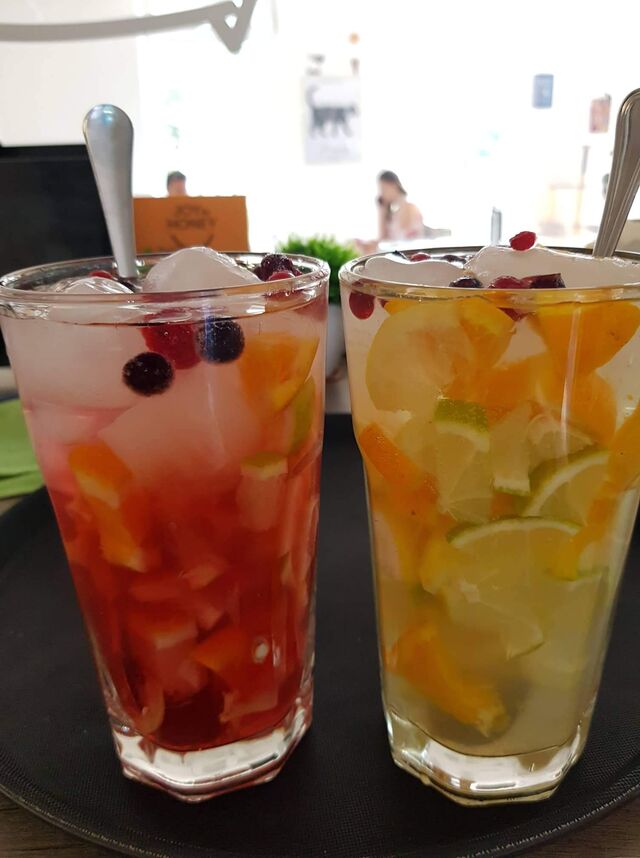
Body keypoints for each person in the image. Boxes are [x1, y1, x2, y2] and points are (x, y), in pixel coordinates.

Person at [376, 170, 424, 242]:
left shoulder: (411, 208)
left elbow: (404, 235)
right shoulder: (393, 213)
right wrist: (382, 211)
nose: (382, 194)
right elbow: (383, 240)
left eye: (383, 189)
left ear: (394, 185)